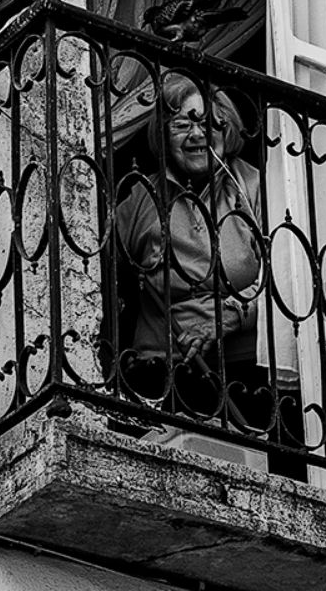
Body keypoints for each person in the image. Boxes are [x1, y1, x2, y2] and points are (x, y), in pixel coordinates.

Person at [113, 76, 304, 478]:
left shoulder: (254, 186)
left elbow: (292, 276)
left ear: (229, 133)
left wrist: (231, 314)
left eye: (212, 125)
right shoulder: (139, 199)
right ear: (163, 133)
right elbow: (108, 277)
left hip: (251, 374)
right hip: (167, 372)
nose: (199, 135)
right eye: (184, 124)